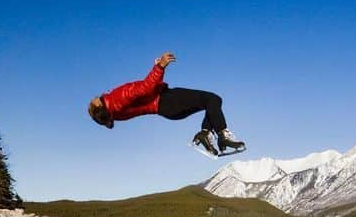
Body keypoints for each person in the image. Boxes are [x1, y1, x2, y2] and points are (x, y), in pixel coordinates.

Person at [87, 52, 245, 156]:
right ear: (99, 105)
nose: (95, 96)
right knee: (213, 99)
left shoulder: (115, 113)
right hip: (167, 100)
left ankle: (205, 134)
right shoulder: (116, 98)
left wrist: (156, 72)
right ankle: (222, 135)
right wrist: (159, 66)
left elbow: (143, 94)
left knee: (210, 103)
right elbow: (144, 88)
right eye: (94, 99)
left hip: (167, 109)